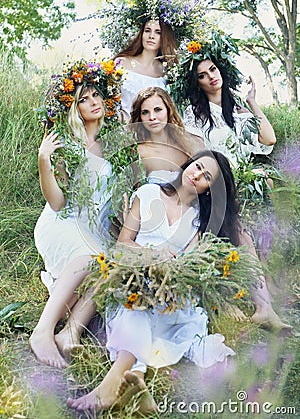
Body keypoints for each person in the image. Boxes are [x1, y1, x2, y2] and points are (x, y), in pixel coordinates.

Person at [67, 149, 239, 414]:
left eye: (206, 177)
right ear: (187, 165)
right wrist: (150, 255)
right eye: (197, 167)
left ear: (209, 189)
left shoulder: (197, 221)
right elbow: (123, 243)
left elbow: (189, 263)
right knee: (135, 307)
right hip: (133, 276)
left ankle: (121, 384)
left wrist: (169, 273)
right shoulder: (148, 194)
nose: (196, 175)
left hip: (169, 289)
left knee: (158, 311)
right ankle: (121, 385)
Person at [29, 59, 123, 368]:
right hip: (62, 222)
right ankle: (42, 332)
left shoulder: (116, 144)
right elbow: (57, 203)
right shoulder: (69, 144)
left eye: (96, 95)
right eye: (83, 99)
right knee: (89, 259)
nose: (93, 102)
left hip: (94, 229)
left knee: (111, 265)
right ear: (74, 107)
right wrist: (45, 160)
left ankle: (69, 333)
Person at [180, 37, 276, 169]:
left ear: (220, 70)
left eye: (213, 69)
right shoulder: (195, 113)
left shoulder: (238, 112)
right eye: (202, 75)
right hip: (215, 177)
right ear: (197, 84)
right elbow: (198, 154)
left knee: (268, 182)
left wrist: (252, 102)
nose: (211, 76)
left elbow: (269, 139)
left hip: (242, 178)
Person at [129, 86, 204, 185]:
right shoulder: (139, 152)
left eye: (158, 110)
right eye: (145, 112)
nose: (152, 117)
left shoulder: (187, 144)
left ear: (169, 110)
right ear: (140, 117)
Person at [115, 18, 177, 121]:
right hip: (120, 128)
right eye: (147, 30)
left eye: (158, 32)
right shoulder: (122, 63)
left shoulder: (166, 73)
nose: (151, 36)